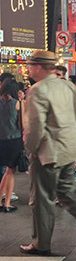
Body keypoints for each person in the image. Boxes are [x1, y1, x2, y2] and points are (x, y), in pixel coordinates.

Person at [20, 51, 76, 255]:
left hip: (48, 153)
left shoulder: (38, 90)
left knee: (42, 198)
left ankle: (41, 244)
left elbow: (35, 127)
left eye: (30, 65)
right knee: (65, 191)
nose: (28, 69)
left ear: (39, 67)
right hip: (71, 148)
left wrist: (30, 149)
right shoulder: (67, 85)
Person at [0, 78, 22, 212]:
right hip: (14, 140)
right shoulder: (17, 104)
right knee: (10, 172)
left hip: (1, 140)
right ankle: (7, 203)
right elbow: (21, 124)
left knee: (5, 172)